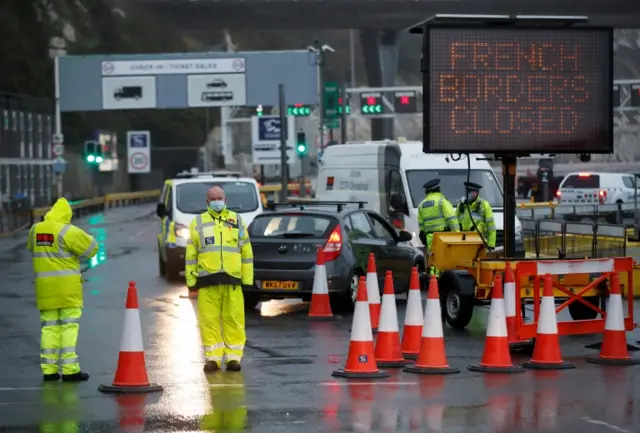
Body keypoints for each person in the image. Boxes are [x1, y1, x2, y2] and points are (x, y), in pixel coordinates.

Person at [27, 197, 98, 382]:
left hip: (45, 290)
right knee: (69, 326)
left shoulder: (36, 229)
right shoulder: (68, 230)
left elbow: (31, 247)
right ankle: (70, 369)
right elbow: (92, 249)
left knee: (48, 329)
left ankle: (49, 370)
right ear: (67, 215)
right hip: (67, 290)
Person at [185, 185, 254, 373]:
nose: (217, 201)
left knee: (234, 320)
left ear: (225, 200)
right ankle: (213, 359)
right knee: (209, 321)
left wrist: (247, 280)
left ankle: (233, 358)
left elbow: (246, 251)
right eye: (213, 198)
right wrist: (191, 282)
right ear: (207, 202)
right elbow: (191, 254)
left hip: (232, 281)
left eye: (220, 198)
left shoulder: (236, 220)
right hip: (207, 281)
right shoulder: (198, 222)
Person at [417, 179, 460, 275]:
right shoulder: (442, 201)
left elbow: (421, 223)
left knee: (433, 259)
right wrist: (457, 234)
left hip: (429, 237)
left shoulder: (422, 204)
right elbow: (451, 219)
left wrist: (423, 233)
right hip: (442, 236)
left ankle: (433, 280)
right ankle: (439, 281)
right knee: (443, 260)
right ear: (438, 189)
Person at [456, 181, 496, 250]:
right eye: (466, 191)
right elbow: (455, 223)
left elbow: (491, 227)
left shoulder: (484, 205)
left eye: (469, 191)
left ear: (476, 193)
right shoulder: (461, 205)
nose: (467, 193)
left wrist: (491, 245)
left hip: (478, 242)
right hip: (462, 242)